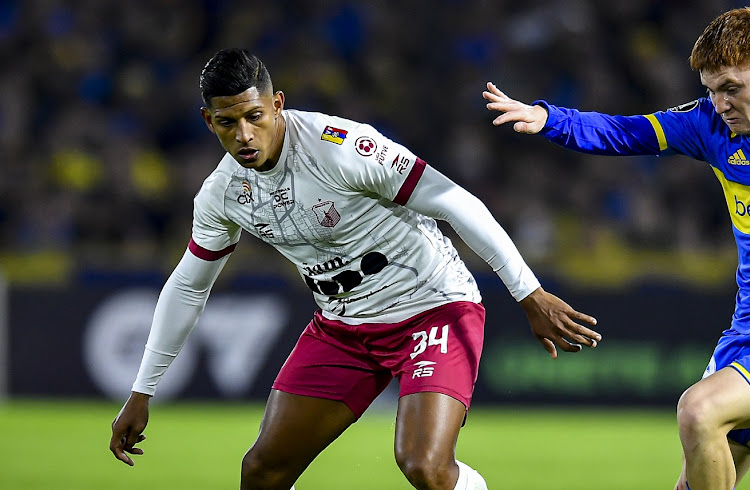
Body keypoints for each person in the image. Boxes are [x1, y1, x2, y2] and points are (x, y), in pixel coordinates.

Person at [109, 48, 602, 490]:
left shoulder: (341, 147)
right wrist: (141, 390)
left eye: (255, 117)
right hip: (343, 328)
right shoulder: (222, 194)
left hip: (432, 307)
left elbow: (457, 202)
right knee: (262, 473)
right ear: (207, 120)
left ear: (277, 104)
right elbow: (188, 287)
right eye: (226, 123)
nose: (244, 135)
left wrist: (528, 293)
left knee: (424, 467)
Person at [482, 7, 750, 490]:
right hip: (745, 330)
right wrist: (548, 118)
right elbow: (627, 132)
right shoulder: (711, 126)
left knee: (698, 411)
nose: (720, 103)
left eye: (731, 87)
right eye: (712, 89)